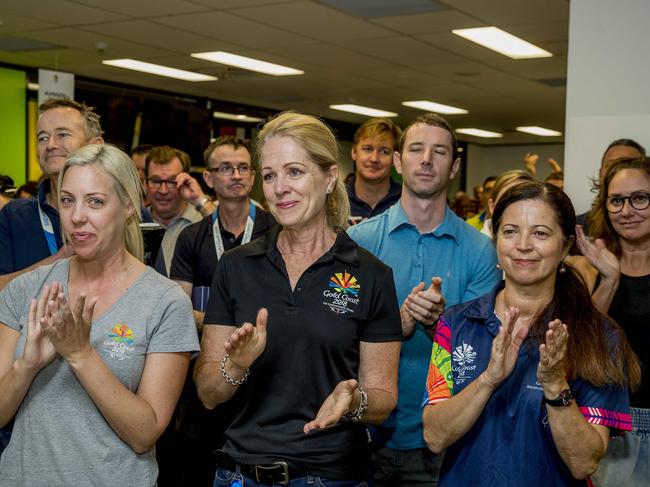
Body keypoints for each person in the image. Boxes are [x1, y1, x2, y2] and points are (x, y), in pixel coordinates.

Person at [195, 111, 402, 486]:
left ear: (329, 177)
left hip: (329, 475)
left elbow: (384, 397)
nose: (279, 188)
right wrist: (235, 366)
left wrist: (353, 404)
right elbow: (209, 394)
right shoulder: (237, 266)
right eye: (271, 176)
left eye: (295, 172)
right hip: (240, 473)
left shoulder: (371, 275)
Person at [0, 144, 199, 485]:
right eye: (67, 200)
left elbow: (145, 432)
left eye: (95, 201)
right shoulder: (26, 289)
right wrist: (26, 366)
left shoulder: (164, 301)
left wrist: (80, 354)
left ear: (128, 207)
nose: (77, 216)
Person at [422, 181, 640, 486]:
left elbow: (583, 463)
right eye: (510, 231)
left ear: (565, 246)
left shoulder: (600, 336)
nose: (524, 244)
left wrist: (554, 384)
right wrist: (488, 380)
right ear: (495, 241)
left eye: (540, 233)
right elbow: (434, 436)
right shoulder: (455, 324)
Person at [347, 113, 501, 486]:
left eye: (440, 152)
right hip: (362, 433)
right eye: (416, 149)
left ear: (454, 167)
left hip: (444, 439)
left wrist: (439, 324)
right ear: (399, 162)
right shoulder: (358, 243)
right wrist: (391, 327)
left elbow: (481, 354)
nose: (427, 159)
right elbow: (336, 337)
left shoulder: (481, 251)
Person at [165, 136, 276, 486]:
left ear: (253, 175)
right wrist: (228, 324)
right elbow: (181, 305)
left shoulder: (276, 231)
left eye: (243, 167)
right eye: (225, 168)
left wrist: (212, 317)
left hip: (263, 378)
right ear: (209, 178)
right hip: (205, 376)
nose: (236, 174)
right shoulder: (192, 237)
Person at [577, 157, 650, 486]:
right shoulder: (586, 267)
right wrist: (609, 282)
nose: (627, 210)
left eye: (640, 198)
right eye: (617, 200)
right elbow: (578, 350)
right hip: (610, 426)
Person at [0, 98, 104, 291]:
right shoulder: (14, 215)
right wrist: (61, 258)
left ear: (95, 145)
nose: (50, 145)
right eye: (42, 137)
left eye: (62, 134)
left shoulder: (122, 211)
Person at [145, 145, 213, 276]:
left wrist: (200, 200)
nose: (163, 191)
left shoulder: (202, 221)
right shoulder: (133, 223)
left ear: (185, 181)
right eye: (156, 181)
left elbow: (226, 239)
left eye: (171, 181)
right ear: (145, 183)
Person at [575, 139, 646, 231]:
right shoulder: (576, 228)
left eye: (628, 165)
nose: (620, 172)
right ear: (600, 174)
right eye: (611, 165)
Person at [346, 118, 402, 224]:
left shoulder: (406, 202)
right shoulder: (332, 200)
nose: (374, 159)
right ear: (354, 152)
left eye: (384, 151)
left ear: (395, 158)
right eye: (367, 149)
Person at [480, 169, 534, 238]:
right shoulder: (474, 246)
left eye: (526, 200)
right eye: (508, 200)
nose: (518, 208)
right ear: (492, 206)